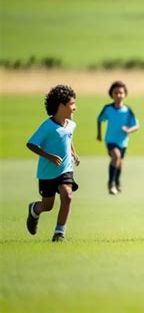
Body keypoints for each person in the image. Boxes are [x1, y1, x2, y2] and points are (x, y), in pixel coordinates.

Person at [26, 85, 80, 242]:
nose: (74, 107)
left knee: (68, 196)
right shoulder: (47, 126)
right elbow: (31, 144)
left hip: (65, 169)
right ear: (61, 106)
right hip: (47, 172)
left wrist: (74, 153)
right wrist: (48, 156)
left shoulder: (71, 124)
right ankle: (35, 209)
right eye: (71, 104)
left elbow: (68, 139)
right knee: (47, 205)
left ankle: (59, 233)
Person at [97, 81, 139, 195]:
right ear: (112, 94)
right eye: (116, 93)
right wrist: (99, 134)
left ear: (125, 94)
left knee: (119, 162)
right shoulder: (107, 109)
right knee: (116, 156)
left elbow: (136, 125)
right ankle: (111, 183)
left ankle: (117, 180)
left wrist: (128, 130)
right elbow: (99, 120)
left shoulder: (127, 110)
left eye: (121, 92)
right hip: (110, 140)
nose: (119, 95)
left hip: (123, 141)